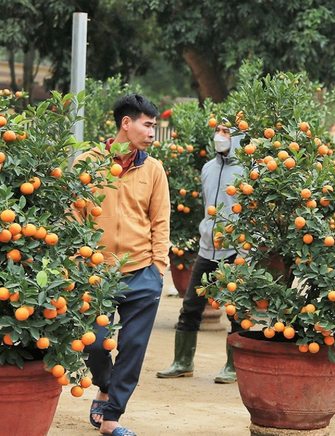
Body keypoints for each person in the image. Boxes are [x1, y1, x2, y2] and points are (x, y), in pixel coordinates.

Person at [75, 94, 170, 436]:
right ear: (125, 124)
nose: (151, 133)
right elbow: (73, 216)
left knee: (132, 347)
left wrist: (158, 268)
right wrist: (79, 262)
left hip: (142, 272)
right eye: (147, 125)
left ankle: (112, 416)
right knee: (95, 343)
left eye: (154, 126)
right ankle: (104, 383)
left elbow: (161, 223)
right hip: (96, 273)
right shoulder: (88, 164)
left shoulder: (154, 170)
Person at [156, 123, 243, 383]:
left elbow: (254, 218)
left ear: (238, 137)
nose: (221, 136)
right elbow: (208, 208)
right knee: (191, 305)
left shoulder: (249, 172)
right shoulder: (208, 168)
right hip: (207, 249)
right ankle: (182, 362)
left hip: (235, 251)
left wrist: (246, 254)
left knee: (237, 311)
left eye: (227, 132)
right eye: (218, 131)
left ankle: (234, 366)